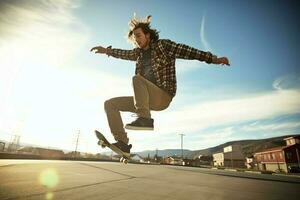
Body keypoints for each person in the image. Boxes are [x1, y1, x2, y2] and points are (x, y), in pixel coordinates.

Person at [90, 15, 230, 154]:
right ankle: (122, 143)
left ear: (148, 35)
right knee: (110, 104)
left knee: (137, 79)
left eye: (139, 36)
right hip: (144, 101)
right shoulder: (138, 54)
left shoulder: (163, 46)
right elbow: (124, 53)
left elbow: (189, 51)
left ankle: (145, 119)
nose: (136, 40)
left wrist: (214, 59)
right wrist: (107, 50)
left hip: (162, 97)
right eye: (134, 38)